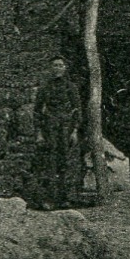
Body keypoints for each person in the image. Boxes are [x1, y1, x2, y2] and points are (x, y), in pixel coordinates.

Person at [33, 57, 82, 208]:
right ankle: (49, 200)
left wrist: (74, 131)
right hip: (50, 129)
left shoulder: (71, 87)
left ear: (65, 68)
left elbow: (77, 110)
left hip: (66, 130)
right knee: (50, 163)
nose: (58, 68)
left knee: (66, 162)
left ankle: (66, 199)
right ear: (50, 68)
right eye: (55, 65)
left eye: (60, 65)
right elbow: (37, 112)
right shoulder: (45, 88)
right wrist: (39, 133)